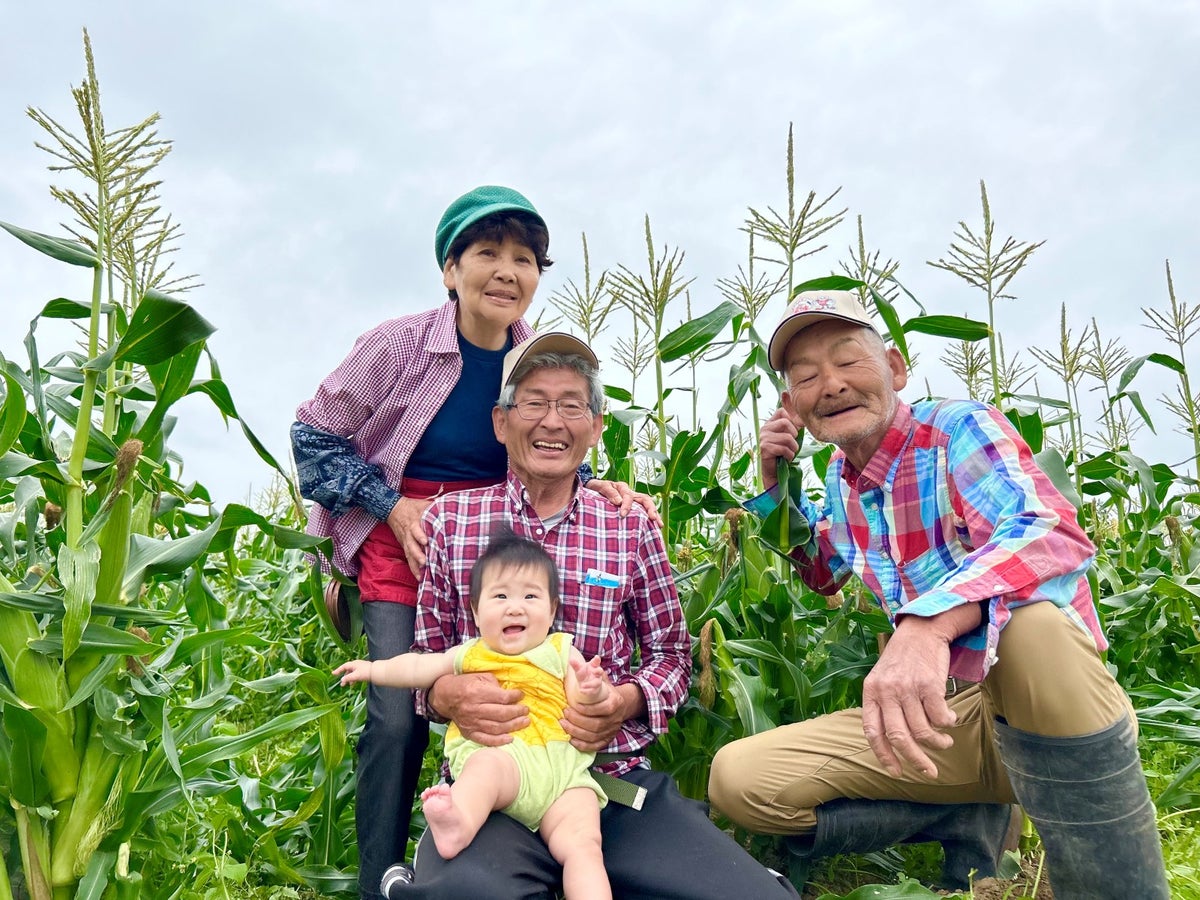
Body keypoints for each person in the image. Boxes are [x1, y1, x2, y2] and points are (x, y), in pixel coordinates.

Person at [707, 290, 1170, 899]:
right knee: (739, 778)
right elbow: (824, 575)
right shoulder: (841, 482)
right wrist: (774, 489)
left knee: (1031, 625)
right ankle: (969, 815)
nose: (832, 384)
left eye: (849, 361)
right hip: (940, 721)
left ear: (896, 369)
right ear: (793, 404)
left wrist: (927, 624)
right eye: (806, 376)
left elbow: (1047, 529)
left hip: (1040, 706)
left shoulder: (955, 429)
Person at [291, 186, 653, 900]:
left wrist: (605, 487)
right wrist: (391, 508)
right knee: (398, 717)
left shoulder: (533, 362)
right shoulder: (397, 346)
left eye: (524, 258)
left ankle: (514, 849)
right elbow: (312, 437)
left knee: (509, 694)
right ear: (450, 270)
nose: (507, 271)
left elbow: (551, 440)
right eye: (487, 253)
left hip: (494, 551)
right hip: (403, 543)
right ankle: (379, 881)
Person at [403, 332, 800, 899]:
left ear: (594, 425)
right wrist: (447, 696)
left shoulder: (628, 525)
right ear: (499, 421)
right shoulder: (450, 522)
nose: (552, 422)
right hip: (494, 784)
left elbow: (670, 656)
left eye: (572, 405)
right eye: (534, 403)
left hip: (606, 780)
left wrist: (625, 701)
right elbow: (424, 661)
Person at [336, 530, 613, 900]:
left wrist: (593, 689)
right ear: (476, 612)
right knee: (486, 770)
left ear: (552, 610)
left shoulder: (561, 651)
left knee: (584, 846)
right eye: (500, 596)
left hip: (563, 774)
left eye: (530, 596)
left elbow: (583, 702)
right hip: (506, 759)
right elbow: (418, 668)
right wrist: (374, 670)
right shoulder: (471, 654)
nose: (515, 607)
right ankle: (458, 823)